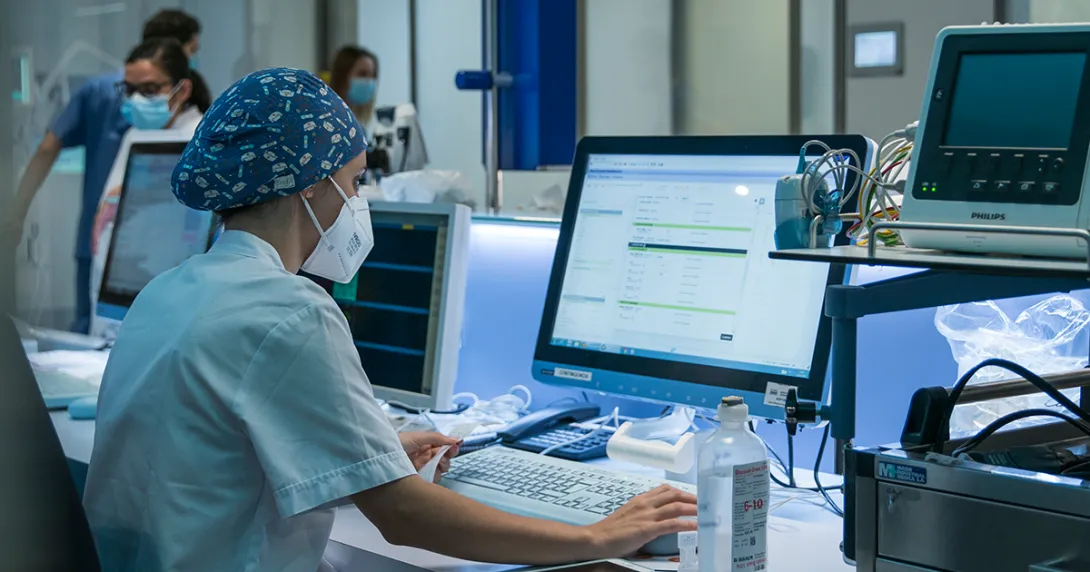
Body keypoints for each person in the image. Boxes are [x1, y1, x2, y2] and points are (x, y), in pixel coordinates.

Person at [82, 68, 697, 572]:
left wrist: (368, 453)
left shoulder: (167, 292)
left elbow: (213, 462)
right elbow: (403, 518)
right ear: (309, 187)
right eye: (353, 183)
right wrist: (597, 536)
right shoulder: (290, 311)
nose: (358, 203)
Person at [1, 9, 201, 333]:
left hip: (144, 252)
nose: (136, 99)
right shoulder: (127, 110)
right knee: (96, 329)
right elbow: (48, 146)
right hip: (107, 237)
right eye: (192, 51)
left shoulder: (187, 128)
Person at [88, 38, 212, 313]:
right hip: (121, 288)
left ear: (182, 90)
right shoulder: (135, 136)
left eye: (149, 89)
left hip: (168, 294)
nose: (136, 99)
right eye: (130, 89)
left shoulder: (201, 142)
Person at [328, 45, 379, 135]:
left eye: (372, 75)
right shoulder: (328, 123)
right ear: (342, 77)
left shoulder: (358, 126)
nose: (369, 81)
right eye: (362, 74)